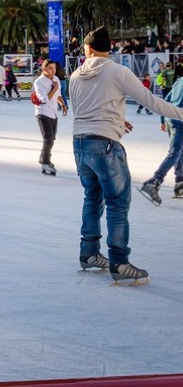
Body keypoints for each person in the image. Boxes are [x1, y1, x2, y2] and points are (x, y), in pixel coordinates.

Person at [70, 26, 183, 284]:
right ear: (108, 49)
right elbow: (151, 102)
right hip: (106, 145)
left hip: (80, 144)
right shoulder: (118, 71)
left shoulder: (76, 74)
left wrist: (119, 121)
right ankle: (119, 262)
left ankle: (89, 254)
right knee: (117, 203)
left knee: (92, 199)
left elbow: (82, 111)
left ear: (88, 48)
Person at [140, 75, 183, 204]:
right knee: (175, 152)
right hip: (179, 121)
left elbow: (167, 99)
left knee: (179, 151)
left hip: (171, 118)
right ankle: (154, 181)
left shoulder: (180, 80)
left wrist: (163, 120)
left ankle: (180, 183)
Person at [33, 60, 67, 176]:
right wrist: (55, 87)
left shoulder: (56, 79)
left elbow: (58, 95)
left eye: (54, 68)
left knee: (52, 138)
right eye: (50, 68)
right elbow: (44, 99)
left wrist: (63, 104)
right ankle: (46, 162)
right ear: (44, 69)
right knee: (48, 138)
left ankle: (44, 157)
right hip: (42, 112)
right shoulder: (39, 82)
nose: (53, 71)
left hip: (53, 113)